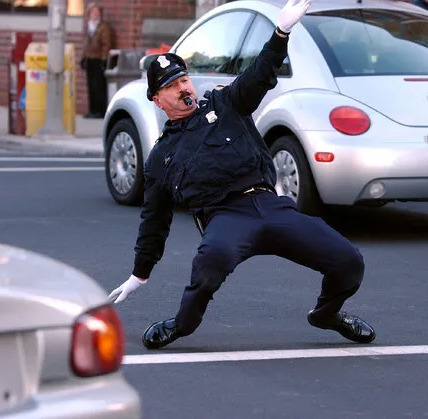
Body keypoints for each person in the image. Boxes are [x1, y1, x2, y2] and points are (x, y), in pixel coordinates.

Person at [108, 0, 376, 350]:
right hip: (225, 216)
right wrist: (140, 273)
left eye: (184, 79)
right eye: (172, 86)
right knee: (211, 260)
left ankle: (327, 314)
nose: (183, 88)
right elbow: (154, 221)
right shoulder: (161, 157)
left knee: (348, 260)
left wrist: (281, 33)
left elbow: (259, 74)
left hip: (270, 204)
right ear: (158, 100)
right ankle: (182, 324)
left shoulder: (226, 104)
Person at [80, 2, 112, 119]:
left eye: (97, 12)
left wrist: (104, 60)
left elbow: (106, 44)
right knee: (91, 86)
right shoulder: (88, 26)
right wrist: (83, 57)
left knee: (98, 86)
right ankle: (92, 110)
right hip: (90, 59)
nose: (95, 14)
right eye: (93, 12)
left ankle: (100, 110)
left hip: (98, 59)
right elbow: (85, 44)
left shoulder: (103, 27)